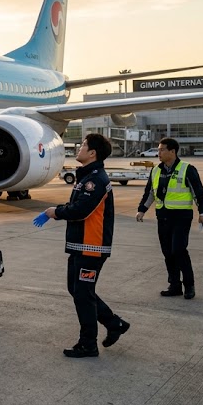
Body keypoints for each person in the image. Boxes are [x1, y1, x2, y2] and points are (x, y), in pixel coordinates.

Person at [45, 133, 130, 358]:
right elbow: (77, 204)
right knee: (78, 290)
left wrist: (57, 212)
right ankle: (114, 324)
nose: (79, 148)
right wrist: (59, 208)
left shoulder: (96, 181)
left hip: (91, 247)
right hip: (80, 245)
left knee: (82, 293)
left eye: (83, 145)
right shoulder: (86, 178)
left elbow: (82, 210)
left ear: (92, 153)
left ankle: (88, 344)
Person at [136, 137, 203, 300]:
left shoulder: (187, 169)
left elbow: (199, 193)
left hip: (181, 217)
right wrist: (142, 210)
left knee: (179, 250)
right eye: (158, 150)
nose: (158, 153)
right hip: (163, 216)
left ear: (172, 152)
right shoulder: (156, 170)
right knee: (167, 252)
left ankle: (189, 285)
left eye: (162, 150)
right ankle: (174, 285)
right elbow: (150, 193)